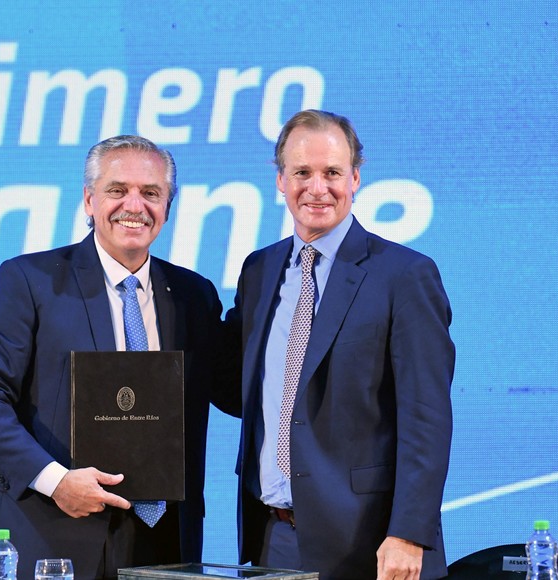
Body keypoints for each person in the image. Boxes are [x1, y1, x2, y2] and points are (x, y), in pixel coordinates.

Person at [0, 135, 228, 579]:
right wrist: (55, 480)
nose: (134, 205)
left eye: (151, 192)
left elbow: (236, 390)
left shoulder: (193, 296)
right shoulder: (32, 280)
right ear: (89, 199)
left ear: (168, 207)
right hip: (50, 534)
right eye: (117, 190)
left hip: (163, 546)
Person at [224, 110, 455, 579]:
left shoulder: (404, 275)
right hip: (275, 539)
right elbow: (238, 385)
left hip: (371, 545)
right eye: (302, 173)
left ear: (355, 178)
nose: (317, 188)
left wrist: (409, 533)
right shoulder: (259, 271)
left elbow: (426, 417)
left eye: (332, 172)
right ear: (280, 180)